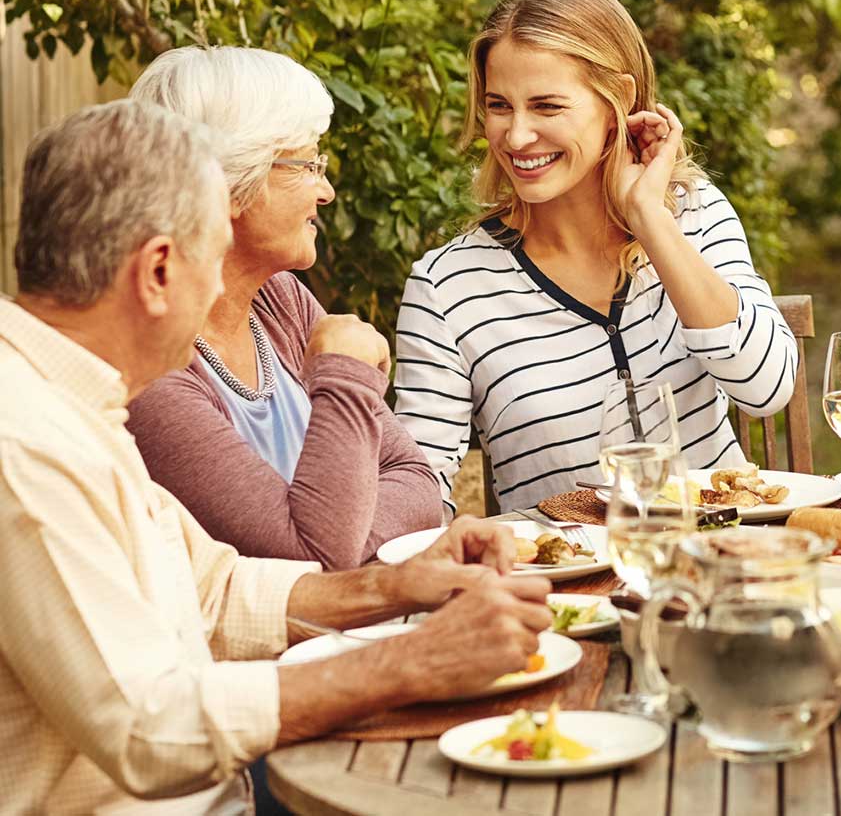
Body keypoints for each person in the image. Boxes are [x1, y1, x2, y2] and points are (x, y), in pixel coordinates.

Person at [0, 99, 550, 814]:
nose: (220, 292)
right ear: (159, 271)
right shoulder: (25, 441)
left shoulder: (69, 395)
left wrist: (403, 584)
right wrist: (415, 660)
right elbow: (146, 727)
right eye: (214, 257)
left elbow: (214, 590)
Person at [393, 0, 797, 510]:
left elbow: (766, 387)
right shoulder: (446, 289)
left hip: (724, 560)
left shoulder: (694, 215)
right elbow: (417, 488)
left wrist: (650, 219)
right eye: (498, 106)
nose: (515, 136)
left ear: (617, 100)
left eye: (546, 106)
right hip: (569, 587)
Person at [123, 46, 443, 570]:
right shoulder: (155, 370)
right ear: (228, 182)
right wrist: (346, 375)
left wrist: (341, 540)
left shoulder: (278, 300)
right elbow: (311, 559)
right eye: (308, 164)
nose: (327, 190)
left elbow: (417, 480)